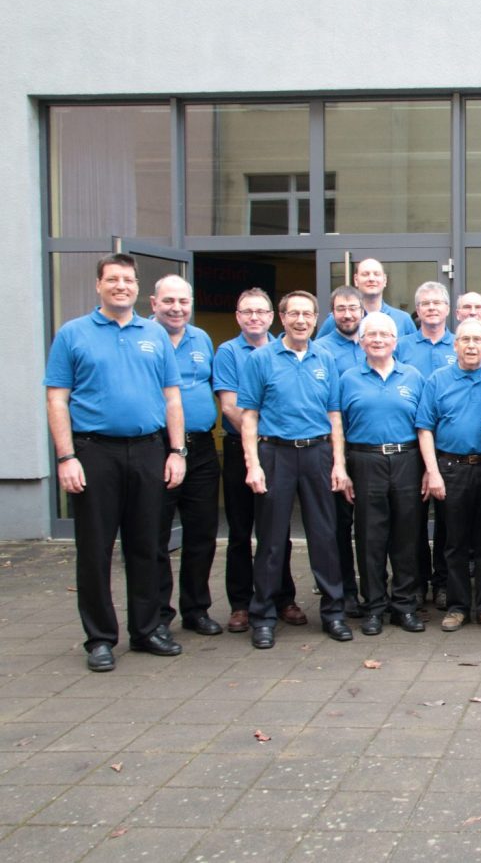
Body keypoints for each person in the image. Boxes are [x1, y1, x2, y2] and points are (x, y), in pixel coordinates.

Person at [45, 254, 186, 672]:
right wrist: (66, 457)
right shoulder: (73, 334)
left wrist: (176, 451)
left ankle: (146, 630)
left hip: (148, 451)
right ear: (99, 285)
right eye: (113, 279)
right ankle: (100, 639)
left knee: (147, 545)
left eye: (128, 279)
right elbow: (57, 399)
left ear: (138, 287)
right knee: (95, 549)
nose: (121, 286)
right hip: (94, 453)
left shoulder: (155, 334)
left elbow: (172, 397)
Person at [238, 291, 354, 649]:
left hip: (318, 453)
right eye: (294, 314)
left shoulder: (326, 359)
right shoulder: (261, 359)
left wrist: (339, 463)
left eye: (307, 314)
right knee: (271, 539)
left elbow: (335, 416)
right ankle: (263, 616)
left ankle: (333, 613)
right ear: (282, 318)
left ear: (316, 319)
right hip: (275, 454)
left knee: (325, 536)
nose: (301, 320)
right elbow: (249, 416)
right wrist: (253, 465)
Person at [214, 289, 306, 633]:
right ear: (238, 316)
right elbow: (229, 406)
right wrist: (263, 438)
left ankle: (283, 598)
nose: (254, 317)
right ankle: (241, 603)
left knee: (277, 529)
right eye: (247, 312)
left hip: (276, 451)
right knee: (241, 530)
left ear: (272, 317)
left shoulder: (284, 350)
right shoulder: (228, 352)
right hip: (244, 448)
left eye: (260, 312)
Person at [340, 312, 426, 636]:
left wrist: (428, 470)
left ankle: (404, 606)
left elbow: (425, 426)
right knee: (370, 537)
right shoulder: (348, 378)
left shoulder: (413, 377)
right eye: (371, 335)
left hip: (407, 459)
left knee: (407, 536)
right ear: (361, 342)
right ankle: (374, 606)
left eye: (384, 335)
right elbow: (338, 427)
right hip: (365, 460)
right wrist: (342, 467)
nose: (378, 340)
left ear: (395, 341)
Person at [418, 319, 481, 633]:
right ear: (455, 345)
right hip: (451, 468)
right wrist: (433, 472)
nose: (471, 345)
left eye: (477, 340)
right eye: (465, 339)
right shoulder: (438, 380)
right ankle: (457, 607)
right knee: (454, 543)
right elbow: (425, 429)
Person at [150, 276, 222, 636]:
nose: (176, 308)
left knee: (202, 534)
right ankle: (158, 615)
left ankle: (196, 609)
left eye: (183, 301)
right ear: (153, 303)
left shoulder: (201, 338)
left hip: (202, 449)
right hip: (157, 448)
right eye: (169, 301)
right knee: (155, 535)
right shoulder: (145, 337)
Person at [396, 282, 458, 611]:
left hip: (446, 448)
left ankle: (443, 583)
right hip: (409, 445)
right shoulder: (401, 346)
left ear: (447, 309)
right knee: (412, 520)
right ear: (417, 311)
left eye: (437, 303)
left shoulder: (459, 345)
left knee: (447, 519)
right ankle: (416, 583)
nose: (432, 308)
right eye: (425, 303)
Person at [314, 287, 366, 617]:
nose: (347, 314)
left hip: (370, 450)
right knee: (339, 525)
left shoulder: (375, 341)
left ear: (362, 311)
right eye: (341, 309)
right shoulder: (321, 350)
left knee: (374, 524)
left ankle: (376, 587)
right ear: (331, 313)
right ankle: (345, 591)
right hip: (337, 448)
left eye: (353, 308)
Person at [317, 257, 417, 337]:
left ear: (385, 280)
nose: (371, 278)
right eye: (365, 274)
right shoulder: (337, 319)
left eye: (376, 274)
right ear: (356, 280)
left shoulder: (403, 320)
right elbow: (318, 351)